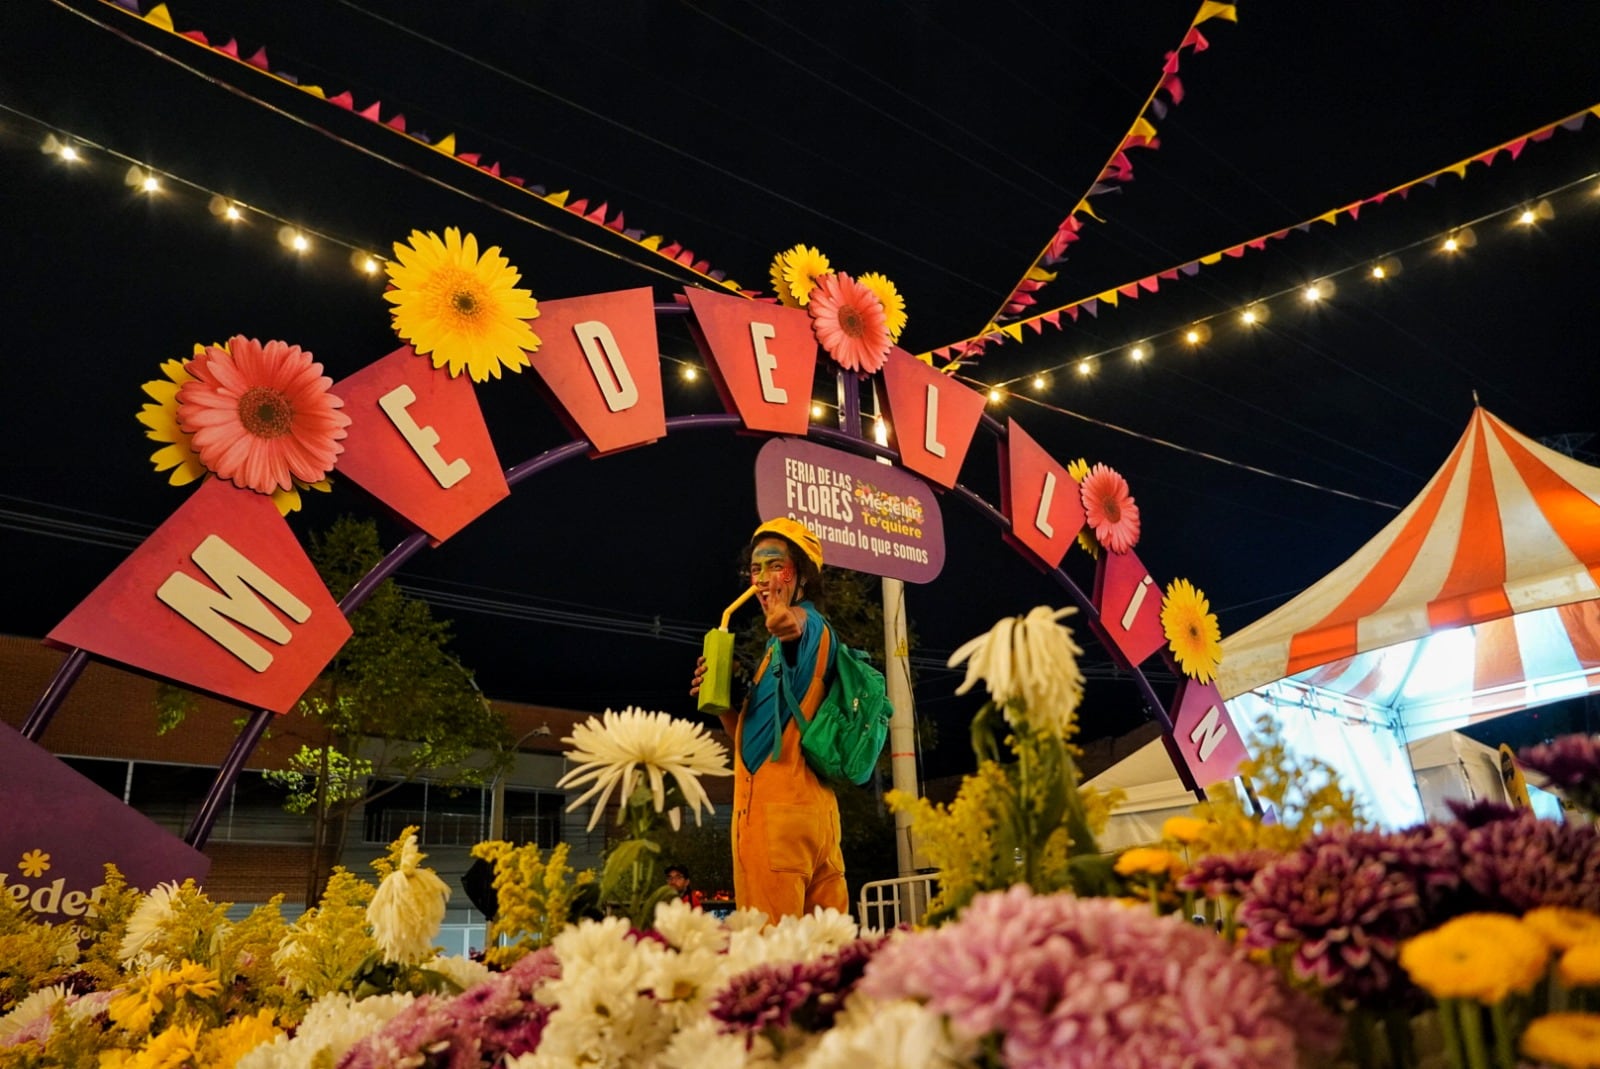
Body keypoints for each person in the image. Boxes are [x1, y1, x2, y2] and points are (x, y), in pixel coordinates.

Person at [690, 518, 847, 922]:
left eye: (776, 565)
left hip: (775, 827)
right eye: (756, 568)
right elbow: (750, 743)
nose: (762, 578)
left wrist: (783, 621)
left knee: (772, 963)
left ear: (804, 578)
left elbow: (794, 626)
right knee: (828, 957)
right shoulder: (774, 659)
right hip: (817, 818)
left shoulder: (805, 625)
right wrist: (720, 701)